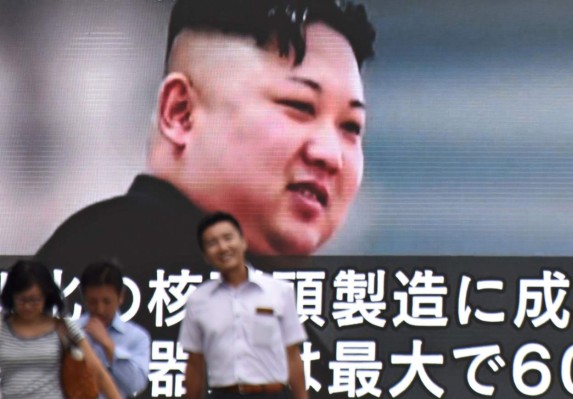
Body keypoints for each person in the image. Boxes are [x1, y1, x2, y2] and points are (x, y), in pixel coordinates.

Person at [35, 0, 376, 275]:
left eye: (351, 127)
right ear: (180, 112)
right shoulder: (121, 265)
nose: (331, 155)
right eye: (299, 106)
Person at [179, 211, 308, 399]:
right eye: (212, 243)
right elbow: (195, 363)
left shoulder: (279, 291)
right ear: (205, 255)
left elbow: (292, 354)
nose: (223, 248)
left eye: (228, 238)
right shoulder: (198, 300)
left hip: (272, 393)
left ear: (243, 242)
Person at [0, 260, 120, 399]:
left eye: (34, 300)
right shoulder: (2, 326)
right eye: (22, 300)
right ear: (11, 296)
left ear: (46, 296)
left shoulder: (63, 326)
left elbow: (98, 371)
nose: (27, 306)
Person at [78, 260, 151, 398]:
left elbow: (136, 385)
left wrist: (109, 346)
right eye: (93, 302)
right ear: (84, 297)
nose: (100, 309)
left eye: (107, 301)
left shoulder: (137, 337)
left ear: (121, 297)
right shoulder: (70, 331)